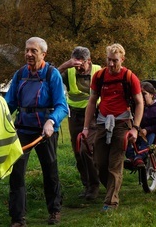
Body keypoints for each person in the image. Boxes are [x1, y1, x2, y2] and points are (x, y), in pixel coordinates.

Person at [5, 37, 68, 226]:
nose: (29, 54)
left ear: (43, 54)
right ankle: (18, 217)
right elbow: (10, 103)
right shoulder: (20, 74)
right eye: (27, 50)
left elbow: (62, 106)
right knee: (16, 172)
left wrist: (51, 121)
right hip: (23, 129)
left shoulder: (52, 74)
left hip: (45, 130)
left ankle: (54, 210)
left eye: (33, 51)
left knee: (50, 170)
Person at [81, 43, 143, 212]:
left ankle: (111, 201)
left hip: (122, 123)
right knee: (100, 163)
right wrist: (86, 128)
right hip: (102, 123)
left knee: (114, 163)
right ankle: (111, 188)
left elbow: (139, 103)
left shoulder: (130, 77)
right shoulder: (99, 76)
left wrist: (135, 128)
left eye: (115, 61)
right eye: (109, 60)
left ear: (122, 60)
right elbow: (92, 101)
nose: (111, 64)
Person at [57, 46, 101, 201]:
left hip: (95, 116)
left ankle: (94, 185)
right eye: (75, 64)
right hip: (74, 116)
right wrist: (65, 66)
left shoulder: (98, 71)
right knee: (77, 152)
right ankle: (87, 184)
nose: (79, 69)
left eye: (81, 64)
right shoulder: (68, 72)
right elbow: (50, 77)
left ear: (89, 61)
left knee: (86, 150)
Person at [125, 81, 156, 167]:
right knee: (125, 135)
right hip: (138, 130)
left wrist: (148, 130)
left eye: (144, 94)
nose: (141, 97)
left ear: (152, 95)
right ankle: (130, 157)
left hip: (152, 133)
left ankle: (140, 157)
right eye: (139, 94)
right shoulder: (137, 106)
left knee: (151, 135)